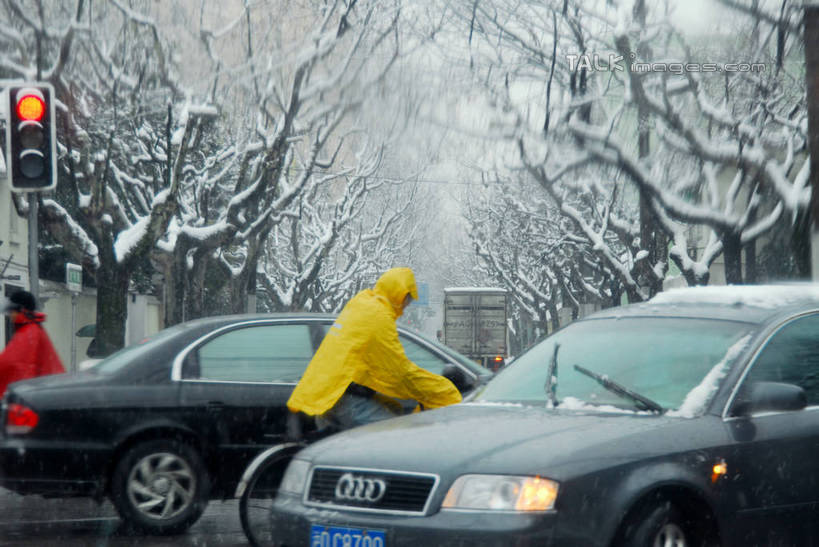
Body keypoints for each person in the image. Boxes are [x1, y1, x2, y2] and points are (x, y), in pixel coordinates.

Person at [287, 267, 461, 431]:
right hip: (348, 400)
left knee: (393, 412)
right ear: (398, 294)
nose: (406, 305)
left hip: (330, 395)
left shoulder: (362, 303)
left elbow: (368, 360)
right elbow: (398, 372)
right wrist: (440, 389)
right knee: (395, 438)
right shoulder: (378, 316)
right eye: (407, 299)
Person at [0, 290, 66, 397]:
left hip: (42, 394)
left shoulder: (29, 332)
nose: (10, 316)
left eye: (12, 311)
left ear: (21, 310)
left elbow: (13, 362)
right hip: (46, 390)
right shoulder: (33, 328)